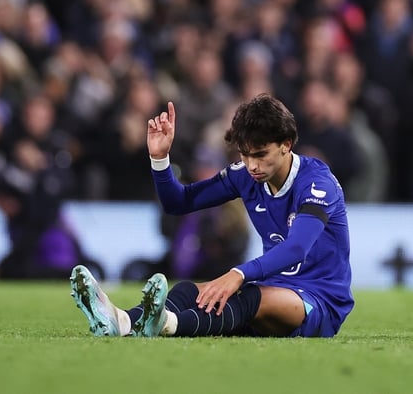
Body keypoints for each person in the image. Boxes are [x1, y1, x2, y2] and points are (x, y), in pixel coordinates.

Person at [70, 94, 355, 338]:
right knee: (188, 291)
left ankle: (166, 324)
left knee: (246, 295)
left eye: (260, 154)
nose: (251, 165)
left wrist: (239, 273)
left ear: (287, 144)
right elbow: (177, 202)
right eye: (244, 155)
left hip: (320, 302)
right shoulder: (245, 176)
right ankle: (121, 322)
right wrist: (160, 159)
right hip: (275, 289)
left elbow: (296, 248)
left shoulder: (317, 184)